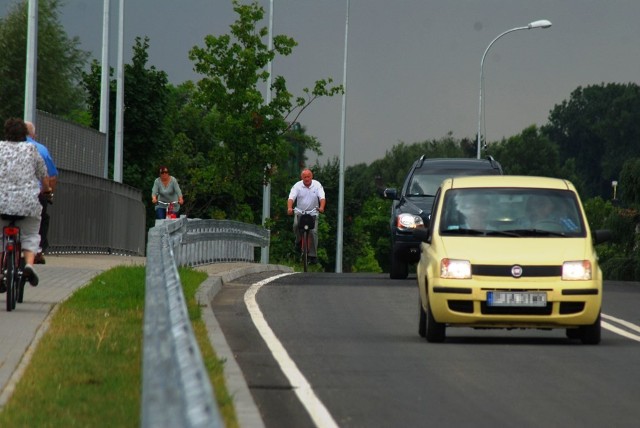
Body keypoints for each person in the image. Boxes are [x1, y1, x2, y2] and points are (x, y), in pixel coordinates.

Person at [0, 118, 48, 287]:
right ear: (25, 134)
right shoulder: (31, 149)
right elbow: (44, 176)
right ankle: (28, 264)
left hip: (1, 203)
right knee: (30, 234)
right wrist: (46, 191)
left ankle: (0, 271)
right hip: (27, 203)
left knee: (0, 236)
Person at [25, 121, 58, 264]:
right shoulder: (40, 150)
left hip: (5, 196)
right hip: (35, 195)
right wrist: (49, 193)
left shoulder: (4, 147)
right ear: (32, 135)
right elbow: (51, 177)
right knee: (41, 219)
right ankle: (37, 251)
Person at [287, 168, 326, 264]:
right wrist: (289, 208)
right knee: (296, 225)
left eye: (308, 176)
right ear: (302, 178)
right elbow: (291, 198)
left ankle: (312, 255)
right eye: (305, 177)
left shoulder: (317, 185)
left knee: (313, 232)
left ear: (311, 177)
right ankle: (298, 241)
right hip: (300, 211)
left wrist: (321, 207)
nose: (307, 179)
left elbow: (322, 197)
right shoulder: (297, 186)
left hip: (313, 212)